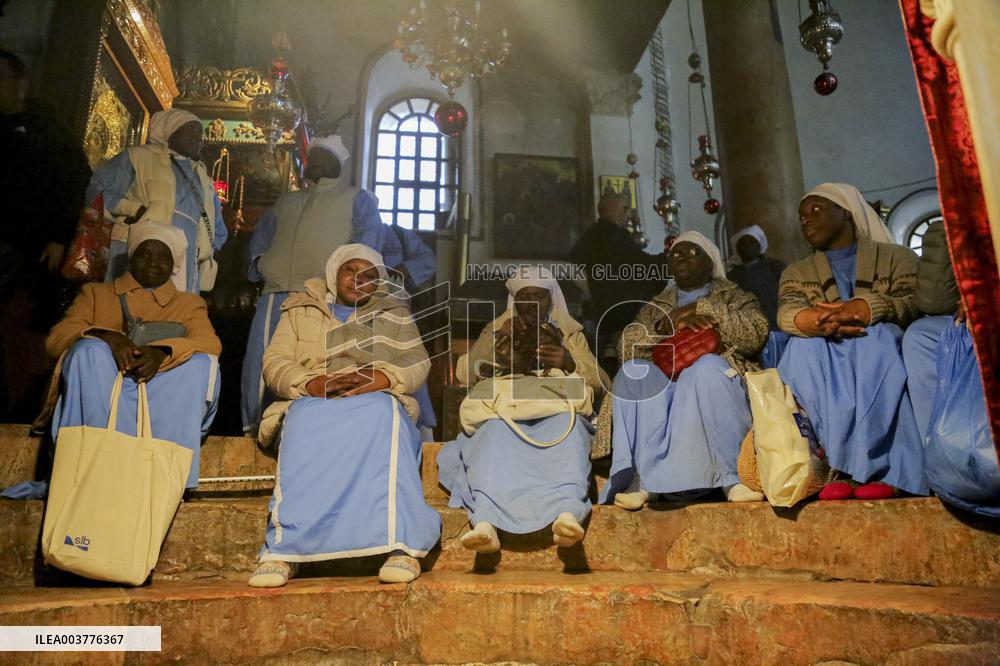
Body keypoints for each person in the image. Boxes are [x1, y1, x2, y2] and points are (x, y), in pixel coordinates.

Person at [248, 244, 439, 587]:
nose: (359, 279)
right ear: (334, 274)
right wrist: (312, 383)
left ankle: (402, 546)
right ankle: (286, 551)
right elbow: (275, 361)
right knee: (303, 420)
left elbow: (417, 361)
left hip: (374, 399)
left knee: (385, 415)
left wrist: (381, 378)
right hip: (313, 399)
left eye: (370, 275)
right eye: (351, 270)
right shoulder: (299, 309)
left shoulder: (395, 312)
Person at [241, 135, 437, 437]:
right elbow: (262, 236)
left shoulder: (369, 209)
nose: (317, 162)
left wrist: (373, 279)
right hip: (280, 292)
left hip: (339, 298)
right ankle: (257, 430)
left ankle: (415, 431)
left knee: (364, 360)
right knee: (265, 361)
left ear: (339, 164)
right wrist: (264, 265)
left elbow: (366, 251)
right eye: (314, 156)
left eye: (326, 157)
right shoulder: (287, 200)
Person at [437, 267, 608, 553]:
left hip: (557, 406)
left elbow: (603, 383)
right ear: (514, 301)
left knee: (569, 433)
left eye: (538, 297)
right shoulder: (499, 328)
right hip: (505, 408)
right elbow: (465, 373)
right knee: (492, 434)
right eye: (523, 297)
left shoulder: (569, 331)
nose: (530, 304)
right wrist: (497, 344)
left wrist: (569, 362)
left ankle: (567, 513)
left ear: (550, 299)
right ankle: (486, 522)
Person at [40, 221, 221, 489]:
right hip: (102, 396)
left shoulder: (188, 304)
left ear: (173, 264)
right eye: (145, 253)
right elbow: (56, 339)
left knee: (201, 362)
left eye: (163, 257)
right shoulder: (97, 294)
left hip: (159, 395)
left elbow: (209, 343)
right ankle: (85, 461)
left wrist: (162, 352)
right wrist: (104, 336)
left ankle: (165, 470)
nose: (153, 262)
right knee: (88, 350)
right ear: (132, 257)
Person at [596, 231, 769, 509]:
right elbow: (627, 348)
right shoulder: (658, 305)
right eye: (675, 253)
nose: (681, 258)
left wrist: (702, 309)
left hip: (713, 379)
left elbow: (755, 335)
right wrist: (666, 325)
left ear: (710, 262)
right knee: (632, 372)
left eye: (691, 252)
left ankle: (733, 478)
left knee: (705, 368)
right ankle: (643, 482)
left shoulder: (735, 296)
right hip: (667, 383)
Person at [776, 183, 926, 500]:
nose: (807, 219)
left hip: (877, 340)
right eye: (802, 216)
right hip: (826, 344)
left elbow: (913, 302)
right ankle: (831, 465)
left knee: (878, 341)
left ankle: (885, 470)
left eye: (816, 209)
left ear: (846, 212)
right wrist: (811, 319)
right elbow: (788, 309)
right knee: (801, 348)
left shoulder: (896, 257)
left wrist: (865, 308)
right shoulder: (797, 271)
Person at [0, 48, 90, 421]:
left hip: (30, 251)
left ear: (20, 84)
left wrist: (58, 236)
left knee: (21, 333)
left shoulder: (47, 129)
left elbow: (72, 183)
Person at [901, 221, 999, 516]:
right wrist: (950, 233)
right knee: (921, 336)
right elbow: (933, 302)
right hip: (977, 317)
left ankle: (987, 458)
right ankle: (945, 457)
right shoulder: (967, 216)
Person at [86, 108, 227, 294]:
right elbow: (98, 191)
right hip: (141, 249)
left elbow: (218, 230)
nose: (197, 136)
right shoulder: (139, 156)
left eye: (200, 132)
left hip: (185, 258)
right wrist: (134, 210)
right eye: (190, 128)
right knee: (131, 300)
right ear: (171, 130)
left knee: (176, 307)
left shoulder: (204, 179)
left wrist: (203, 248)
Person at [571, 193, 668, 375]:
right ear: (611, 210)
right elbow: (641, 267)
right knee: (634, 366)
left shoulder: (591, 236)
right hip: (625, 312)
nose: (629, 214)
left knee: (619, 363)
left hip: (605, 312)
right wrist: (669, 259)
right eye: (625, 208)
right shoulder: (615, 236)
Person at [726, 225, 787, 368]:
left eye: (751, 242)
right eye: (743, 243)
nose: (747, 246)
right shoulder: (732, 277)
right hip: (750, 336)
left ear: (760, 245)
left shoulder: (776, 267)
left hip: (779, 330)